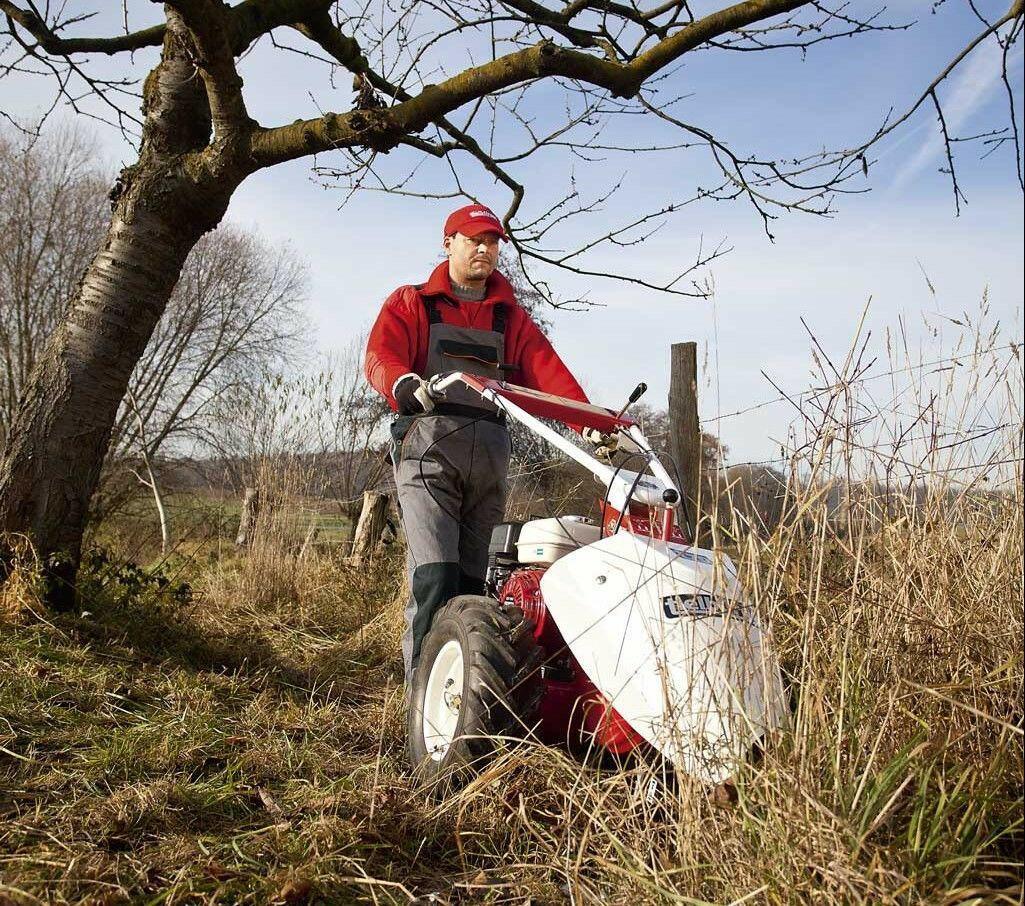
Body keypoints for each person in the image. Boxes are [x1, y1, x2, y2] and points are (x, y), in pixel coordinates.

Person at [365, 203, 589, 682]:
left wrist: (588, 423)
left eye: (492, 241)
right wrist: (402, 384)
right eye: (474, 240)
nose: (485, 249)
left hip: (489, 456)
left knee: (474, 586)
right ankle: (419, 693)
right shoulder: (414, 303)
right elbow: (381, 355)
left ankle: (464, 694)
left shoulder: (510, 319)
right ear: (449, 243)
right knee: (436, 576)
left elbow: (549, 374)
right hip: (429, 451)